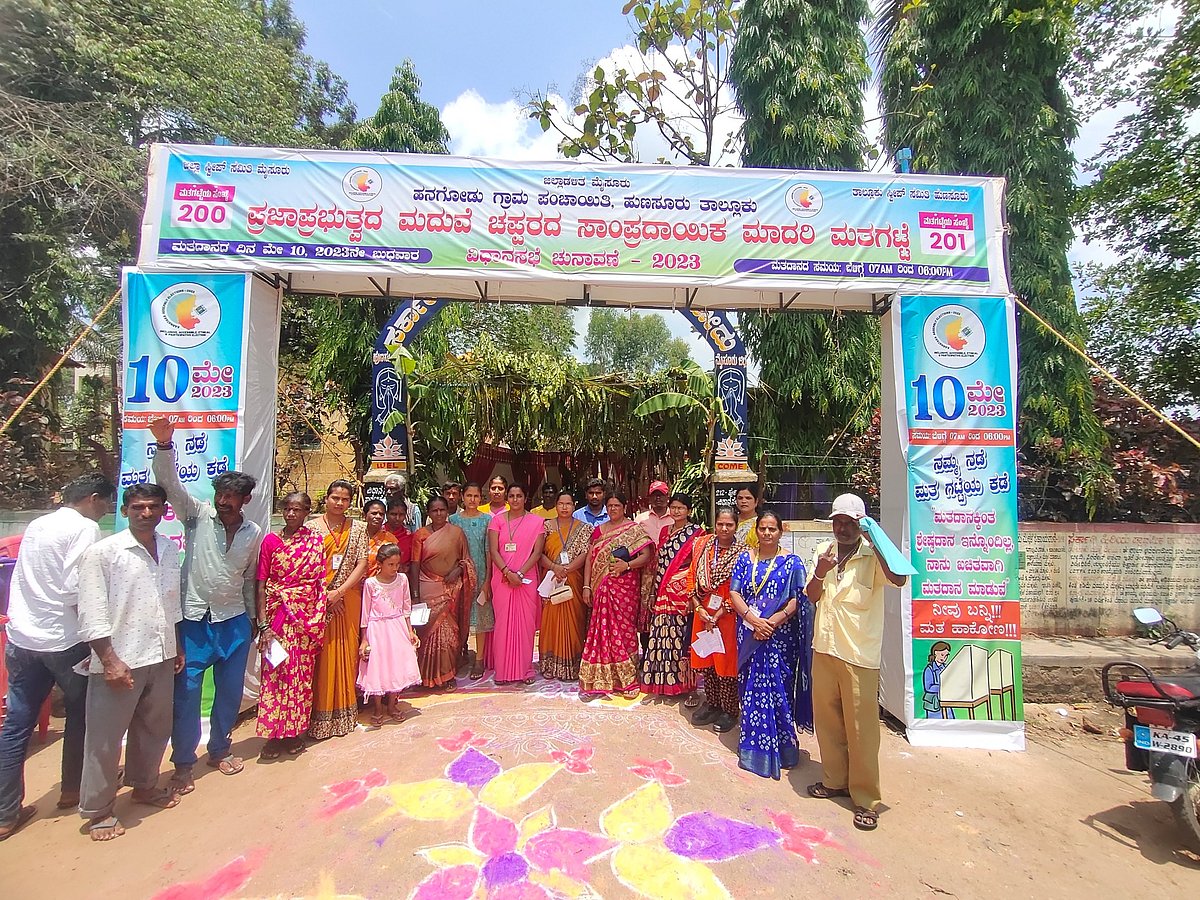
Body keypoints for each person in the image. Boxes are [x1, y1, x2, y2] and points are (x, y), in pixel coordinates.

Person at [149, 418, 261, 794]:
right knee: (187, 695)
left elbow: (248, 579)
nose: (224, 503)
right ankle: (183, 763)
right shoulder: (196, 515)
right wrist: (165, 446)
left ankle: (220, 749)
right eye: (220, 496)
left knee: (229, 694)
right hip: (194, 623)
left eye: (231, 498)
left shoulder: (253, 532)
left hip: (233, 622)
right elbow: (169, 486)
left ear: (245, 500)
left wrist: (253, 618)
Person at [0, 473, 114, 840]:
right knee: (83, 714)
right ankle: (72, 789)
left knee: (16, 725)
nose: (107, 511)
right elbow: (74, 589)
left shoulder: (38, 524)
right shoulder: (84, 529)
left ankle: (5, 813)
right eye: (107, 504)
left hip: (22, 638)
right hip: (64, 642)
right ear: (94, 499)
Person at [76, 483, 184, 841]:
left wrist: (177, 646)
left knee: (154, 728)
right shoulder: (103, 553)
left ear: (163, 511)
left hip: (160, 651)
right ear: (125, 511)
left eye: (153, 507)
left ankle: (145, 786)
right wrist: (108, 659)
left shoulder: (169, 549)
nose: (146, 513)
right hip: (119, 658)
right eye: (138, 507)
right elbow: (91, 612)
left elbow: (171, 603)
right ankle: (99, 810)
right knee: (106, 739)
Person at [806, 493, 908, 832]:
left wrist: (873, 539)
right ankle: (835, 780)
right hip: (825, 649)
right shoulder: (824, 551)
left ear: (862, 525)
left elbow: (899, 578)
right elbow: (810, 595)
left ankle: (866, 799)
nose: (843, 529)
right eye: (838, 522)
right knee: (828, 721)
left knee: (862, 730)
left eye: (851, 523)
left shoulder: (873, 556)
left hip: (859, 656)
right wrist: (820, 573)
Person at [728, 510, 810, 781]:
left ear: (780, 531)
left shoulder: (792, 563)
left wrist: (771, 622)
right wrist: (753, 619)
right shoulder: (744, 559)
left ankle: (784, 750)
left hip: (779, 638)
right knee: (750, 688)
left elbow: (797, 599)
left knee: (779, 689)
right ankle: (754, 750)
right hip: (750, 634)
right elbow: (734, 592)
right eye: (762, 528)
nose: (766, 533)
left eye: (771, 529)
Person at [254, 492, 327, 760]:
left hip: (305, 620)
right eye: (287, 509)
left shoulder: (314, 542)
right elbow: (261, 583)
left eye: (297, 509)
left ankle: (295, 732)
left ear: (307, 512)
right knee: (275, 674)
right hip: (276, 618)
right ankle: (273, 736)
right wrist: (263, 624)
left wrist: (311, 613)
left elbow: (318, 583)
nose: (291, 514)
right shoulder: (271, 541)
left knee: (301, 677)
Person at [308, 480, 369, 740]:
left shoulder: (359, 528)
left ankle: (344, 714)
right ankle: (318, 716)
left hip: (349, 598)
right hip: (317, 600)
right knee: (321, 657)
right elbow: (305, 564)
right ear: (327, 499)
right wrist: (325, 594)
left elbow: (362, 562)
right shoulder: (311, 527)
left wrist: (340, 592)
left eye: (345, 499)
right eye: (335, 497)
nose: (339, 503)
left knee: (346, 652)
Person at [579, 492, 654, 699]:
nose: (612, 509)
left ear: (624, 507)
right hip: (601, 589)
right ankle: (600, 679)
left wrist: (627, 565)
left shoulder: (633, 530)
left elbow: (647, 556)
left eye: (616, 505)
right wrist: (587, 586)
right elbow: (589, 559)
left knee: (624, 633)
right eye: (609, 505)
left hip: (625, 591)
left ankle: (627, 680)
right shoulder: (598, 531)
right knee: (600, 633)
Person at [687, 507, 748, 734]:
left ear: (735, 527)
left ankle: (729, 709)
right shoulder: (703, 547)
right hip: (703, 614)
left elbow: (744, 587)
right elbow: (692, 577)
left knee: (726, 662)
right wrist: (698, 608)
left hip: (727, 616)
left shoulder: (743, 553)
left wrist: (721, 611)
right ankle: (712, 703)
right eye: (720, 524)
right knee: (707, 658)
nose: (724, 529)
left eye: (729, 525)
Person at [639, 494, 704, 698]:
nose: (676, 511)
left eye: (681, 508)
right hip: (663, 589)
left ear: (689, 511)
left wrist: (692, 595)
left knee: (681, 637)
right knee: (660, 635)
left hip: (683, 591)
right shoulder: (666, 530)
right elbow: (659, 562)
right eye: (674, 507)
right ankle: (663, 683)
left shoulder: (697, 534)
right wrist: (653, 592)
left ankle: (684, 685)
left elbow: (698, 565)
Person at [411, 497, 475, 690]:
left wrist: (457, 571)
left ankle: (448, 674)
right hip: (426, 587)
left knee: (449, 633)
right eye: (434, 510)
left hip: (450, 589)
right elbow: (414, 566)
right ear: (428, 513)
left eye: (442, 510)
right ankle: (425, 676)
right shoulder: (420, 535)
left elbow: (466, 561)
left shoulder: (457, 533)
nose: (438, 514)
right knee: (426, 634)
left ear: (448, 512)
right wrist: (415, 594)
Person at [487, 484, 546, 685]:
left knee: (526, 626)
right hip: (502, 579)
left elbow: (537, 553)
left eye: (518, 495)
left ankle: (525, 670)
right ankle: (503, 672)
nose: (514, 499)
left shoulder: (537, 522)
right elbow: (493, 551)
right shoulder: (496, 521)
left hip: (526, 579)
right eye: (511, 496)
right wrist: (507, 572)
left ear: (525, 497)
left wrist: (519, 574)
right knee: (503, 625)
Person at [357, 544, 421, 726]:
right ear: (380, 564)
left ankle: (392, 705)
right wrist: (364, 639)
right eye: (390, 565)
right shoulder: (370, 583)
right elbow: (365, 613)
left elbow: (406, 607)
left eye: (397, 565)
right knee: (378, 667)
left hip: (398, 626)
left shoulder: (402, 580)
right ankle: (378, 707)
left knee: (396, 665)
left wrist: (410, 631)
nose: (394, 569)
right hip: (377, 630)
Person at [538, 491, 591, 681]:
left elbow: (586, 554)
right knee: (550, 622)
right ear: (556, 505)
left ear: (574, 505)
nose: (564, 507)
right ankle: (550, 664)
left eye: (568, 504)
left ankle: (572, 664)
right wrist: (555, 568)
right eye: (561, 503)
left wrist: (567, 569)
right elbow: (538, 553)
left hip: (573, 580)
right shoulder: (545, 527)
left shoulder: (585, 529)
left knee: (574, 621)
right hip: (552, 580)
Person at [449, 482, 493, 681]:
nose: (472, 500)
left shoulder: (487, 520)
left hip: (482, 573)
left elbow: (488, 551)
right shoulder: (453, 520)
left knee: (481, 619)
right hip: (459, 576)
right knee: (460, 617)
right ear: (462, 497)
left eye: (476, 496)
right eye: (469, 496)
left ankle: (480, 660)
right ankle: (461, 654)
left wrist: (487, 580)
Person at [363, 499, 398, 577]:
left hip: (380, 585)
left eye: (381, 514)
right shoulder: (355, 536)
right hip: (354, 586)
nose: (378, 516)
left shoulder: (390, 540)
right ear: (364, 515)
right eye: (374, 513)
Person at [922, 641, 955, 720]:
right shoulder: (929, 669)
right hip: (934, 703)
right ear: (935, 653)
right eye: (942, 655)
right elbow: (928, 687)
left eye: (946, 655)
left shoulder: (945, 667)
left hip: (945, 700)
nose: (943, 658)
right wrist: (942, 687)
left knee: (950, 721)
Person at [634, 481, 672, 546]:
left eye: (661, 495)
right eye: (655, 495)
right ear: (650, 498)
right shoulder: (640, 519)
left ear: (667, 497)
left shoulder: (675, 518)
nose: (658, 498)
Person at [384, 498, 414, 567]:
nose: (397, 518)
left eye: (401, 515)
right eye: (393, 514)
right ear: (387, 514)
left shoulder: (409, 537)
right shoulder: (378, 534)